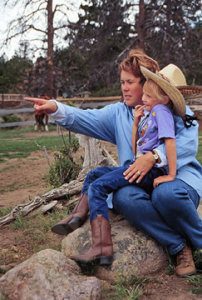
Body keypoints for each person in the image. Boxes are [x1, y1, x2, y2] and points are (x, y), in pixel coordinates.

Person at [25, 49, 202, 277]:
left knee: (164, 194)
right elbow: (85, 117)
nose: (124, 88)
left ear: (146, 83)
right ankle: (179, 246)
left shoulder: (175, 109)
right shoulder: (120, 113)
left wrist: (153, 156)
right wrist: (56, 108)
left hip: (177, 179)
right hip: (138, 182)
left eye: (130, 82)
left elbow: (187, 144)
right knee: (123, 197)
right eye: (122, 82)